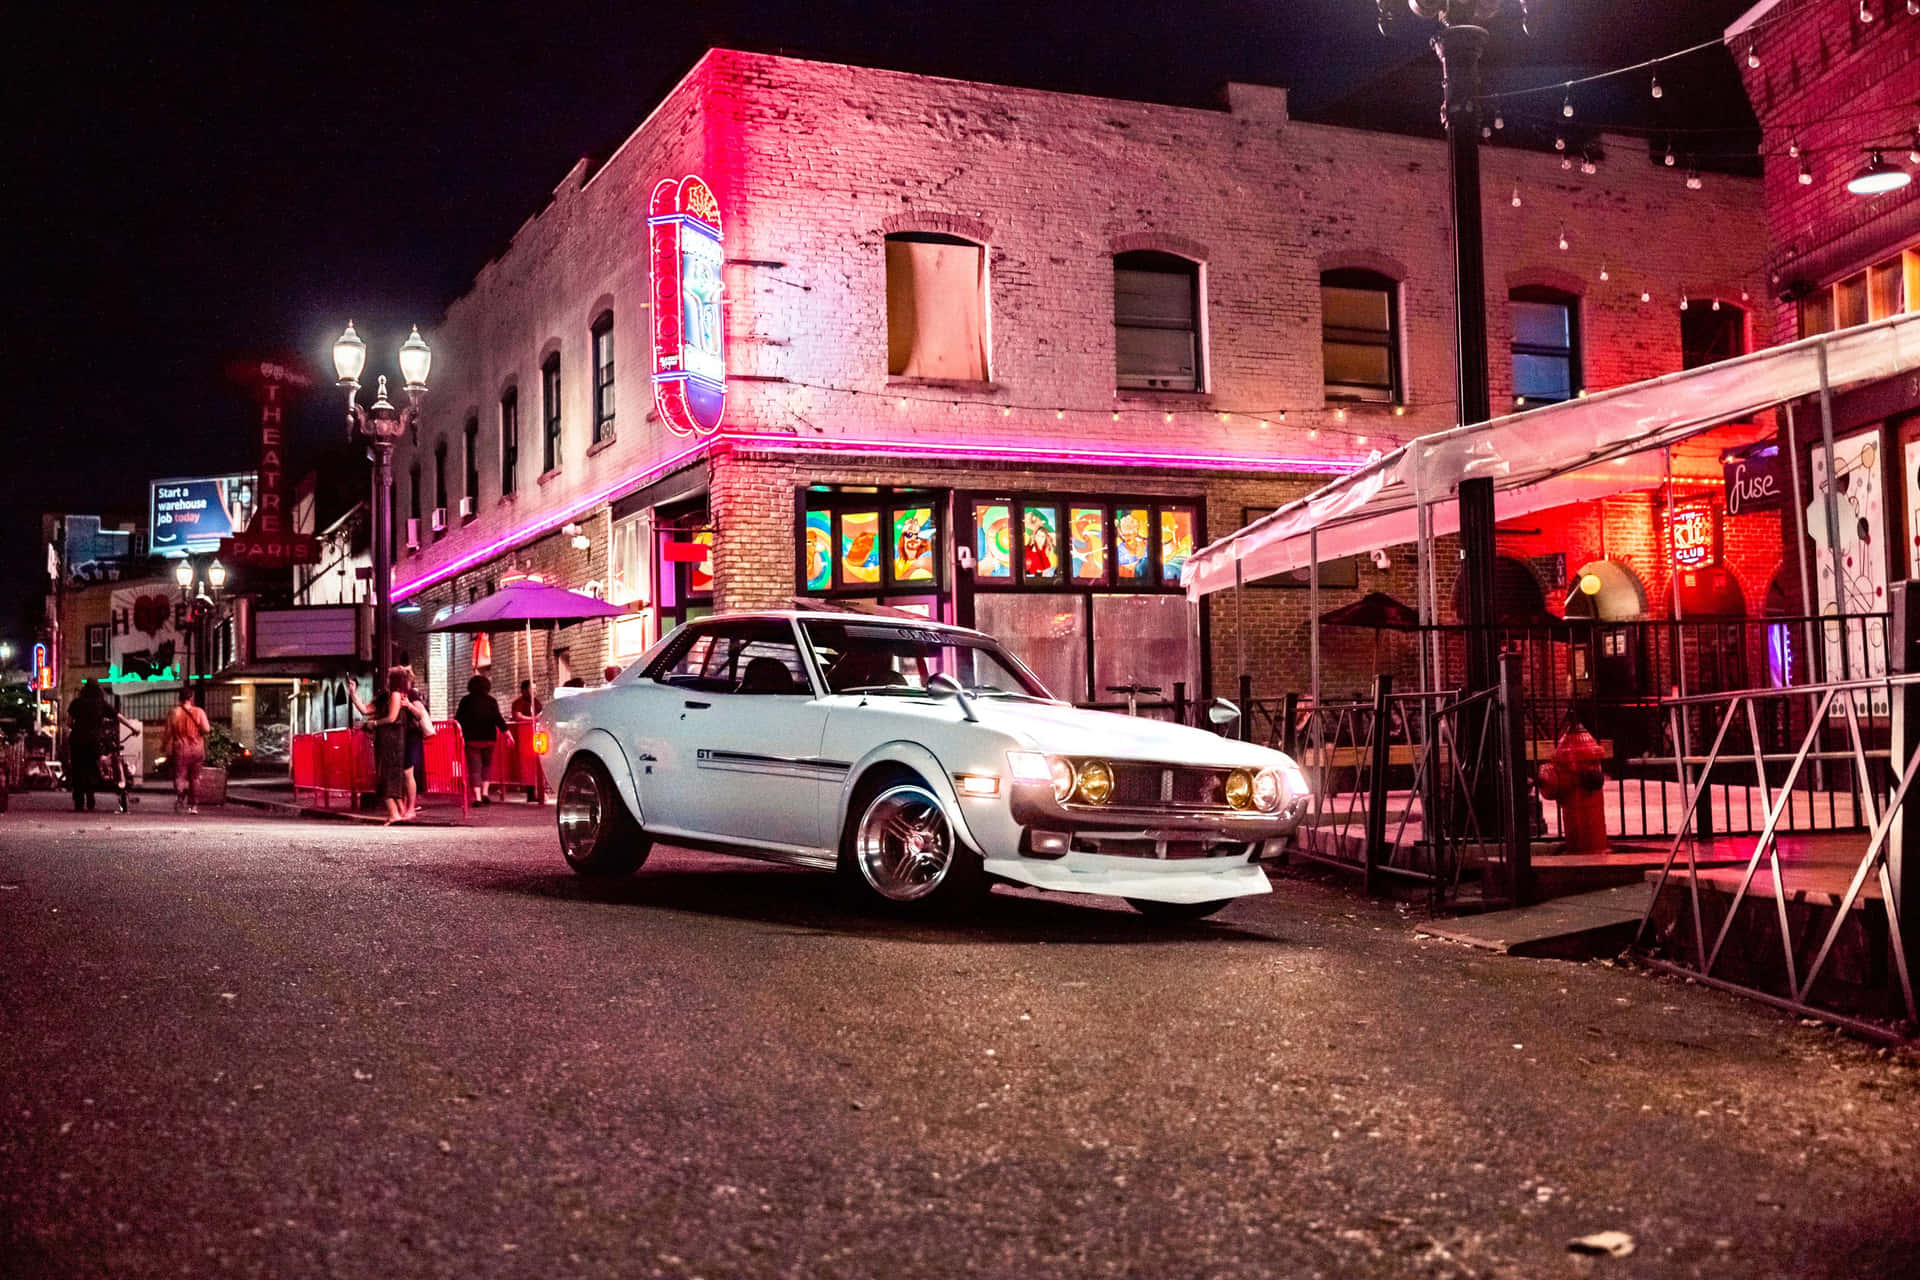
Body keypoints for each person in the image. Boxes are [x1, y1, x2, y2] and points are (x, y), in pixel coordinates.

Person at [455, 675, 508, 806]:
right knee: (487, 766)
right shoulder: (491, 701)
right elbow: (498, 719)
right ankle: (485, 793)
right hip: (489, 739)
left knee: (475, 769)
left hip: (471, 740)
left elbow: (458, 719)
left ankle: (477, 798)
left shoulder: (465, 701)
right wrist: (508, 734)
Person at [164, 688, 211, 815]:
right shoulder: (199, 712)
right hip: (196, 749)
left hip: (180, 749)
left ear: (179, 698)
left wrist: (164, 746)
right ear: (191, 698)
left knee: (180, 776)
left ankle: (180, 799)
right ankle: (194, 806)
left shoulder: (174, 713)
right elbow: (207, 729)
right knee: (195, 778)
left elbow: (168, 733)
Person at [66, 681, 109, 812]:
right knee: (91, 768)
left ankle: (79, 801)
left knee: (77, 770)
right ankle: (90, 797)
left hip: (77, 740)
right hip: (93, 741)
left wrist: (78, 728)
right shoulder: (100, 704)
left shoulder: (76, 703)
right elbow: (117, 716)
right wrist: (133, 728)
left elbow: (69, 722)